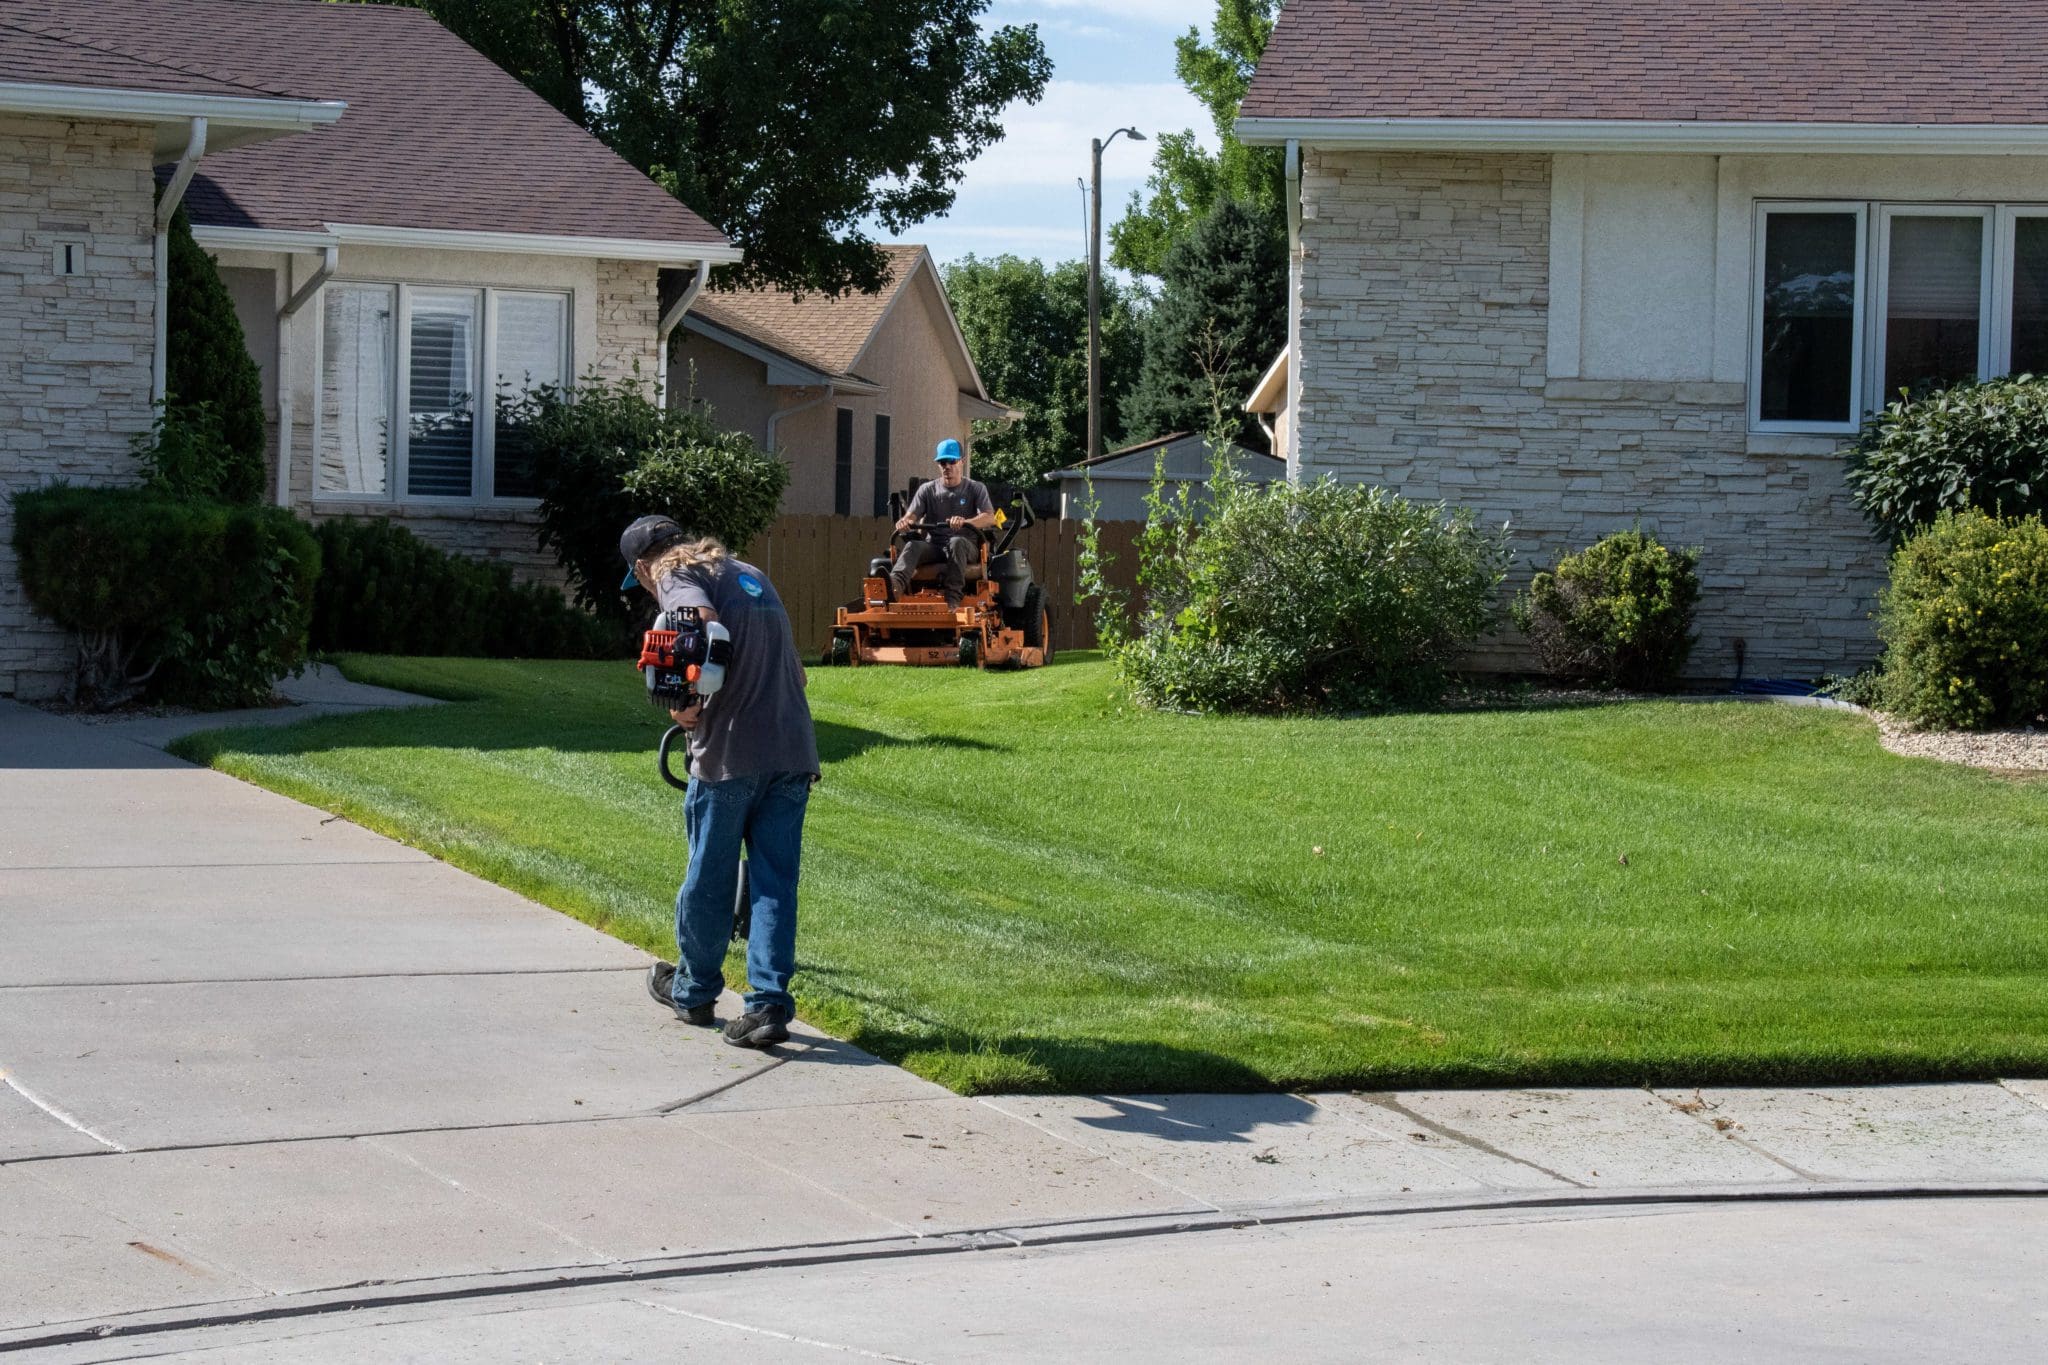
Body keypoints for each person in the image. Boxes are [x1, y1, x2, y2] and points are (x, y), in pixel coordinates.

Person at [620, 514, 819, 1049]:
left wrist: (686, 704)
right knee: (774, 881)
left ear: (643, 565)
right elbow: (797, 673)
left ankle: (694, 990)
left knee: (709, 875)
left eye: (640, 578)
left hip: (730, 751)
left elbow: (697, 622)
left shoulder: (674, 574)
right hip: (793, 747)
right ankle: (768, 1004)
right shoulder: (747, 572)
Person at [889, 437, 996, 609]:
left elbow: (990, 517)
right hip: (935, 547)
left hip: (965, 547)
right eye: (942, 462)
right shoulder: (927, 490)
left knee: (956, 542)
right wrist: (904, 522)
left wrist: (965, 522)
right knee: (913, 546)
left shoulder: (975, 488)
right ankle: (893, 587)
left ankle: (952, 599)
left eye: (951, 461)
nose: (947, 466)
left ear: (962, 461)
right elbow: (911, 516)